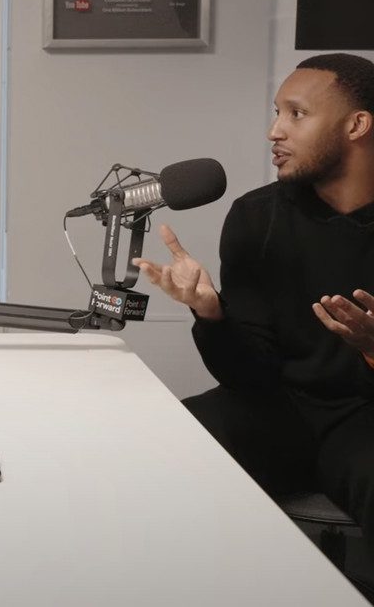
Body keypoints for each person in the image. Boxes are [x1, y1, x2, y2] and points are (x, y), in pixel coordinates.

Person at [134, 53, 374, 551]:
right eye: (277, 113)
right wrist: (211, 314)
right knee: (160, 456)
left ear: (356, 125)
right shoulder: (256, 217)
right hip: (279, 408)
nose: (274, 132)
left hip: (365, 418)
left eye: (296, 114)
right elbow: (248, 376)